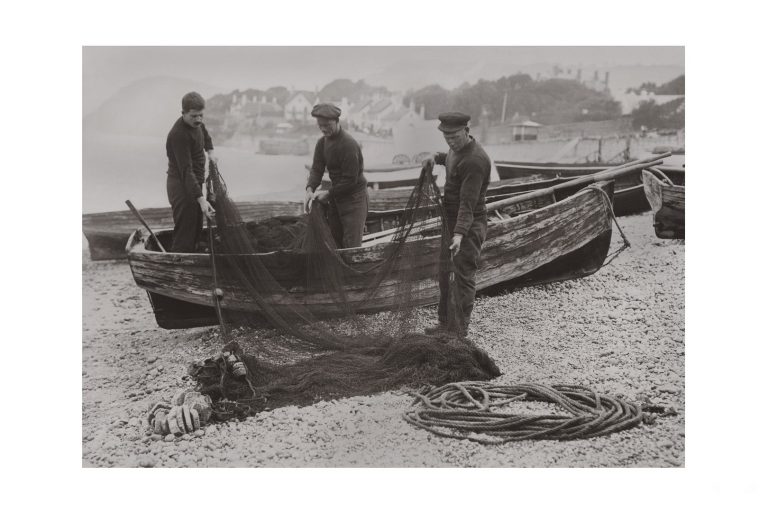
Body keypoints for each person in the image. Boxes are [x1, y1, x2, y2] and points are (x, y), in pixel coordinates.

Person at [424, 112, 491, 338]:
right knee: (444, 273)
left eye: (454, 136)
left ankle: (459, 332)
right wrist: (436, 156)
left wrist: (459, 235)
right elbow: (451, 158)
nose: (450, 140)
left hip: (469, 224)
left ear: (466, 130)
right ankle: (444, 324)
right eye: (446, 136)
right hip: (450, 220)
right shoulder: (456, 148)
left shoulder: (475, 160)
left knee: (463, 276)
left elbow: (468, 203)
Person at [304, 103, 368, 248]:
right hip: (336, 197)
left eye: (327, 125)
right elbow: (317, 169)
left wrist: (328, 193)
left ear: (337, 121)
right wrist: (310, 189)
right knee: (335, 241)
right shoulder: (322, 143)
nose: (323, 129)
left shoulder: (348, 145)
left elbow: (350, 180)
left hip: (354, 199)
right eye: (320, 125)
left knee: (352, 246)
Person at [165, 91, 217, 253]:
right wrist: (201, 200)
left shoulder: (197, 124)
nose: (198, 120)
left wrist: (211, 151)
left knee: (196, 227)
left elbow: (205, 134)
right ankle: (178, 268)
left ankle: (192, 261)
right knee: (185, 231)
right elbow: (186, 171)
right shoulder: (178, 135)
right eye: (194, 116)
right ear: (183, 113)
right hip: (180, 185)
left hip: (194, 185)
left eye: (201, 115)